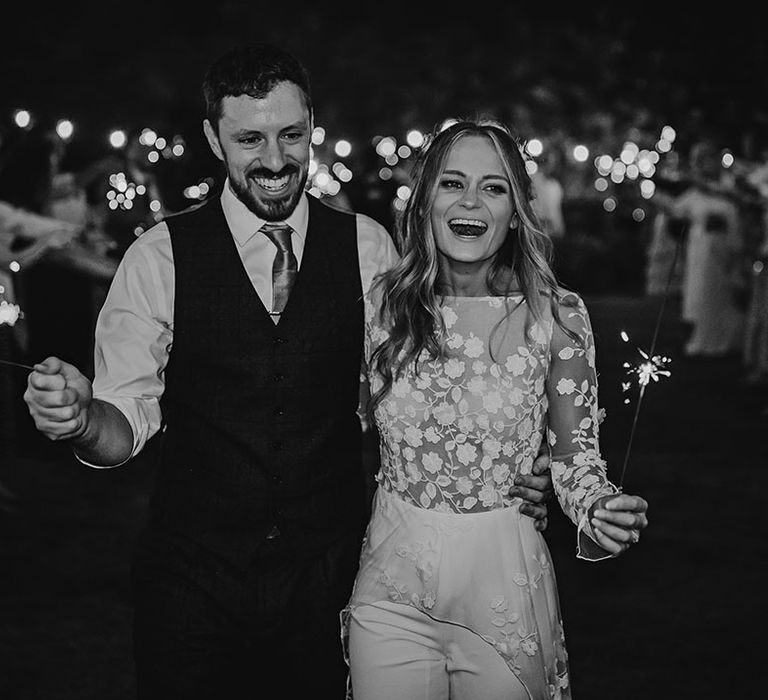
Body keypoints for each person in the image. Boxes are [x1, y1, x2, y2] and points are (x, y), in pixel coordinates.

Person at [22, 44, 554, 699]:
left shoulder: (367, 248)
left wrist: (518, 466)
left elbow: (424, 394)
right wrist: (79, 421)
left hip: (325, 576)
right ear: (214, 139)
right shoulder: (158, 258)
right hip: (192, 581)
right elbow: (122, 422)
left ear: (312, 129)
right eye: (250, 139)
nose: (275, 161)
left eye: (291, 136)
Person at [343, 118, 649, 700]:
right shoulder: (381, 308)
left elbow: (575, 460)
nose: (470, 201)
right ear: (426, 198)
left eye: (494, 186)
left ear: (517, 209)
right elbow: (336, 424)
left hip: (502, 586)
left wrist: (598, 507)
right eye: (452, 182)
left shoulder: (557, 317)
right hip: (391, 585)